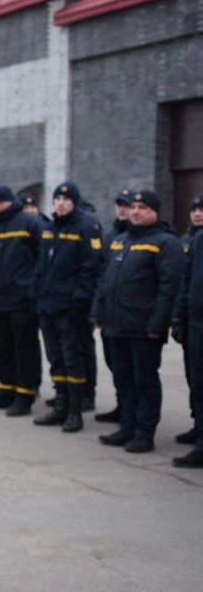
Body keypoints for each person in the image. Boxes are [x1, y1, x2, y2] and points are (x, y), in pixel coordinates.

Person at [93, 189, 183, 453]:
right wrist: (99, 312)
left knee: (144, 381)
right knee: (123, 380)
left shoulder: (166, 243)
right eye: (133, 207)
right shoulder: (120, 240)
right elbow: (104, 280)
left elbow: (169, 288)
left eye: (142, 208)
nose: (135, 211)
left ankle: (144, 433)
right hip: (115, 325)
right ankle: (127, 426)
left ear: (155, 212)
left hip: (143, 328)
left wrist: (158, 324)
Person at [31, 182, 103, 433]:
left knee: (73, 360)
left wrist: (80, 303)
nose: (60, 204)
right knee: (56, 359)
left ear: (74, 202)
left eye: (66, 200)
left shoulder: (86, 227)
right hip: (48, 307)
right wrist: (36, 296)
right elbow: (41, 267)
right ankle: (60, 405)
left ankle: (75, 410)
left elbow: (91, 269)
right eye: (57, 200)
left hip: (69, 309)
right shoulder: (50, 228)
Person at [0, 185, 44, 416]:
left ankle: (25, 394)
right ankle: (6, 390)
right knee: (1, 347)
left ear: (10, 201)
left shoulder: (29, 223)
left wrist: (33, 289)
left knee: (23, 348)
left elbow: (42, 259)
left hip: (22, 298)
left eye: (0, 203)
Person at [95, 187, 134, 423]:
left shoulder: (144, 238)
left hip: (131, 316)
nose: (123, 208)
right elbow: (101, 275)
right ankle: (123, 406)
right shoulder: (110, 237)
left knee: (133, 369)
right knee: (115, 364)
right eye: (120, 204)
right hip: (109, 313)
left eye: (128, 205)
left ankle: (134, 414)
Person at [171, 198, 203, 467]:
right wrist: (178, 318)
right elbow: (185, 281)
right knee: (196, 381)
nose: (197, 214)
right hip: (195, 323)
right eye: (193, 209)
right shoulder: (196, 241)